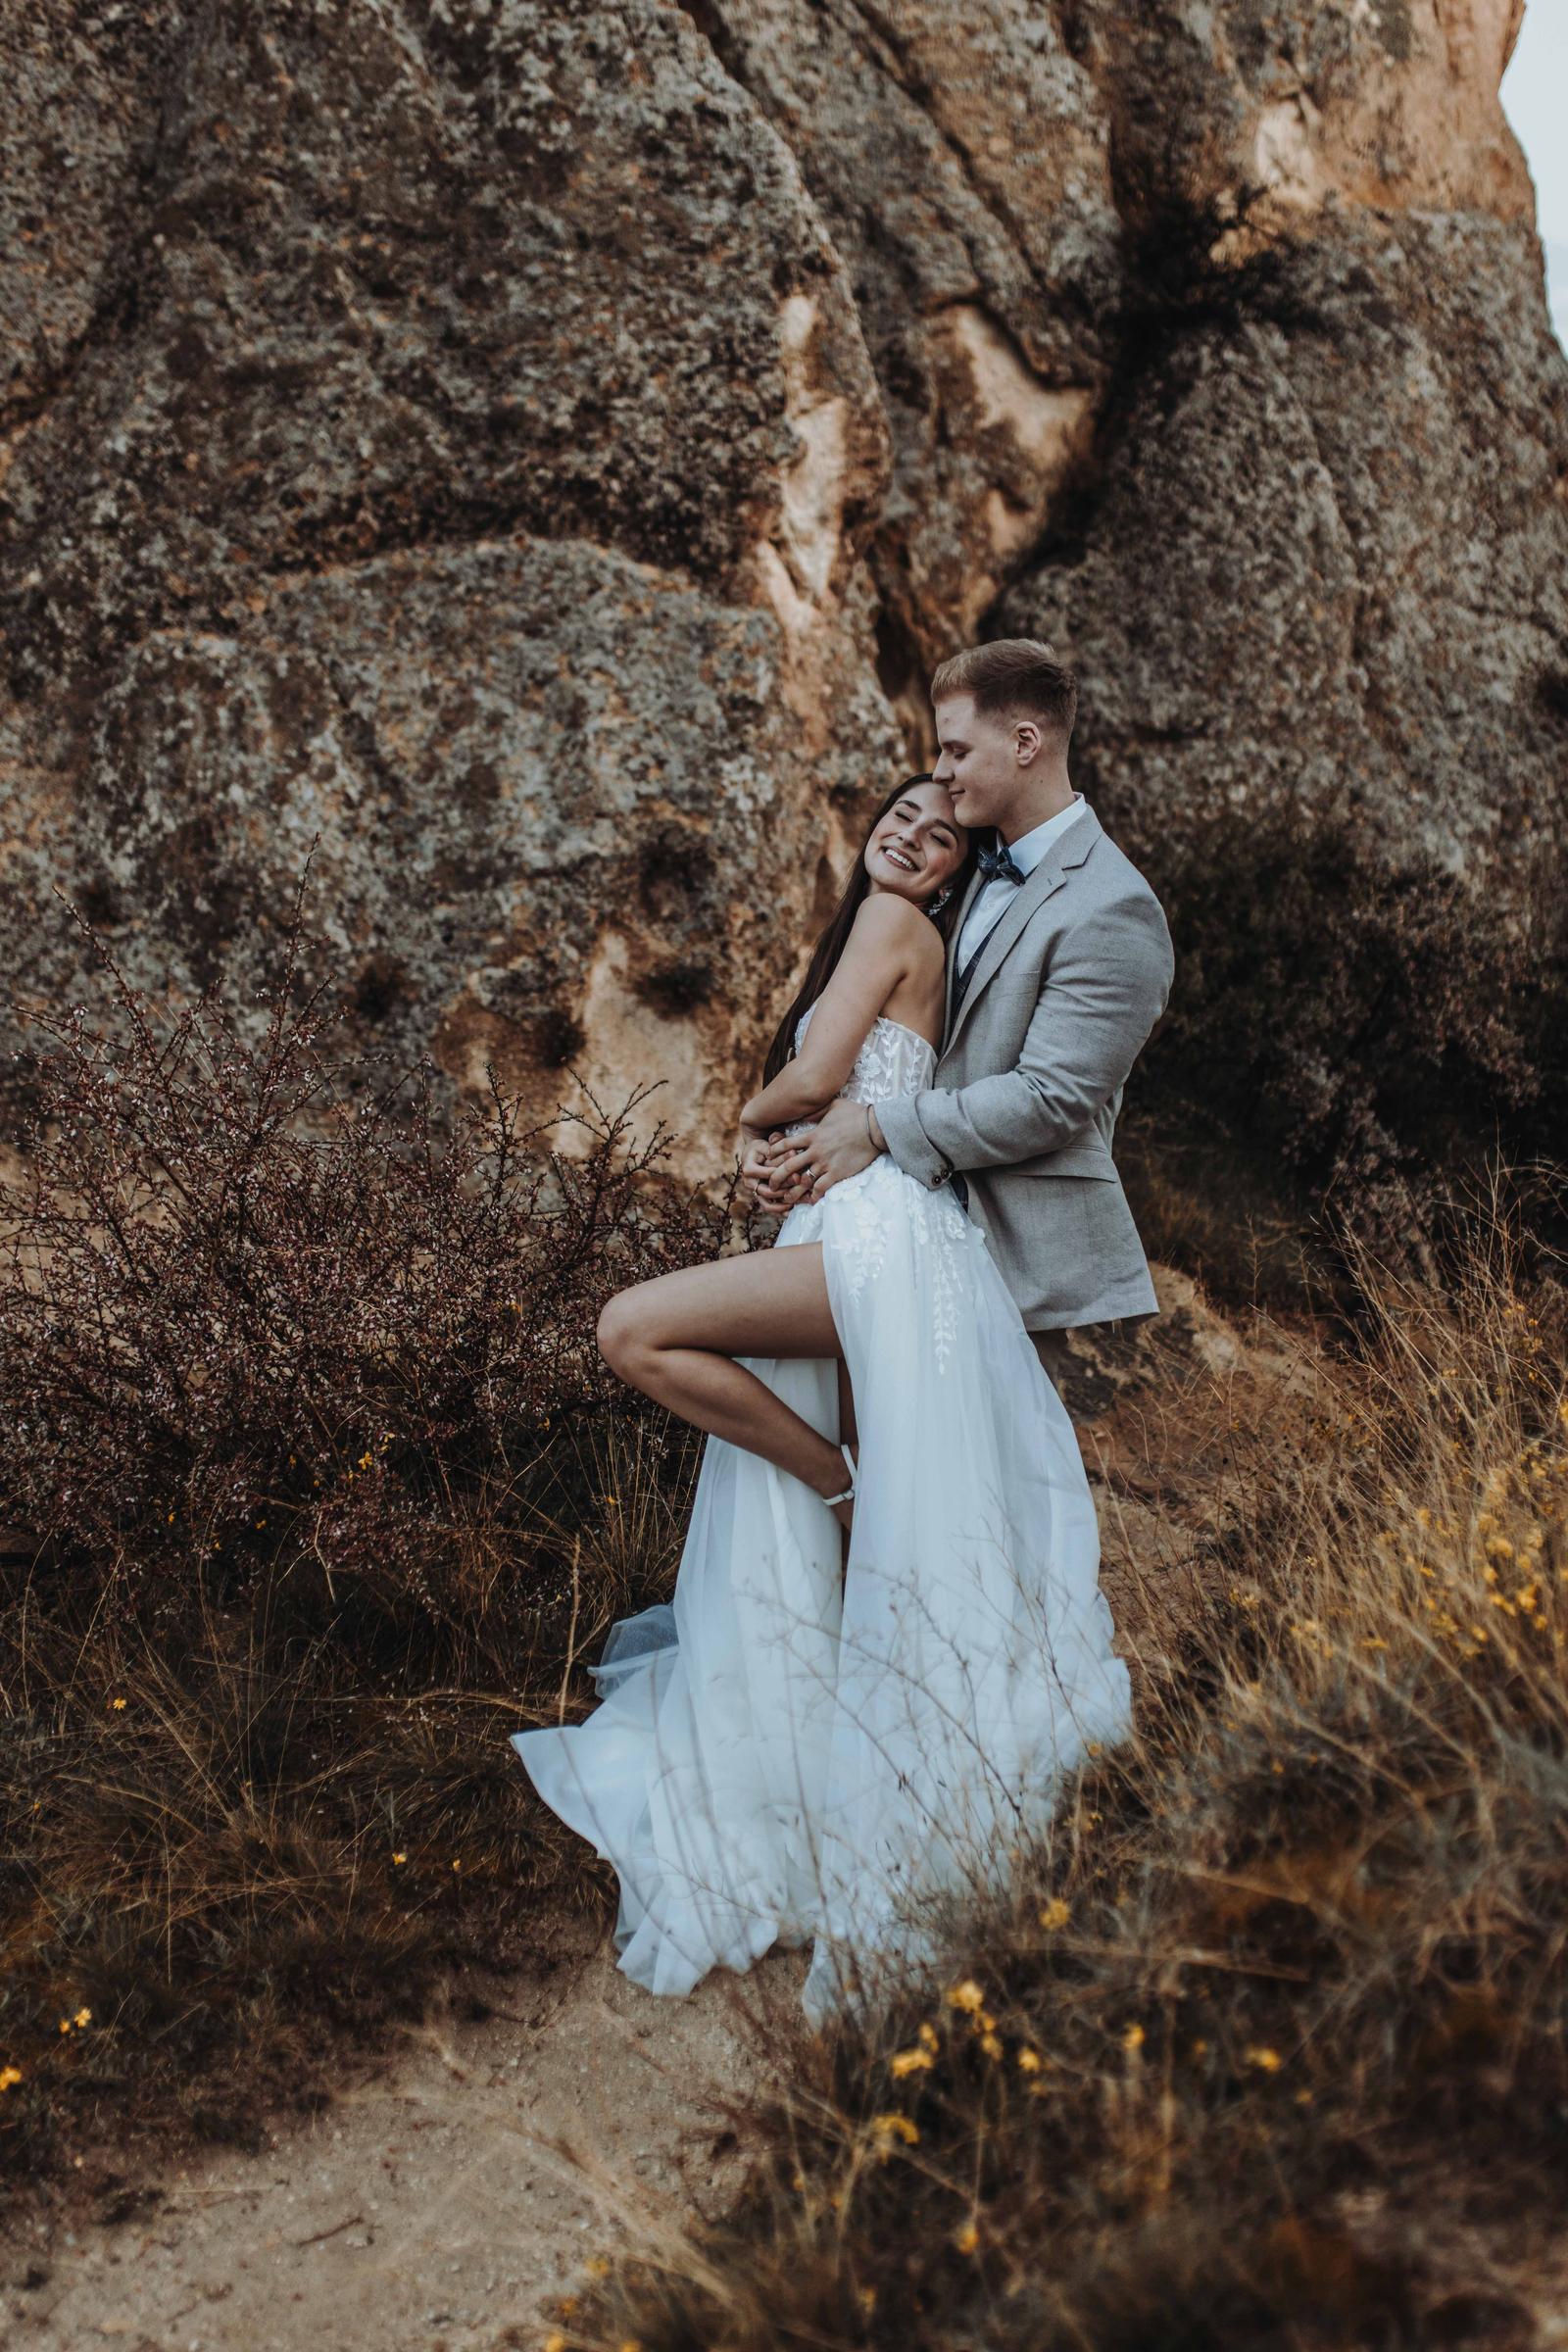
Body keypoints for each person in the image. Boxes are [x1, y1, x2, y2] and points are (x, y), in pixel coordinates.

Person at [512, 642, 1169, 2026]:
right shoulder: (960, 887)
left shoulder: (1112, 905)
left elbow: (1054, 1104)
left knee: (891, 1511)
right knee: (896, 1557)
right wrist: (814, 1147)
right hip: (882, 1229)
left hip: (929, 1243)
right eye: (922, 774)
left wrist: (855, 1127)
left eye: (954, 754)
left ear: (1027, 740)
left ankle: (895, 1750)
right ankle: (832, 1784)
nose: (937, 781)